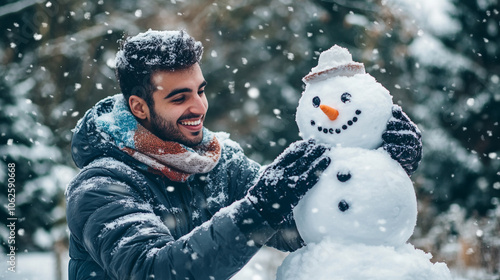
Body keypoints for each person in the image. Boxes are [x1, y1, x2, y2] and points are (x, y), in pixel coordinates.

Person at [66, 29, 422, 280]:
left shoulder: (219, 163)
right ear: (139, 107)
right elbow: (155, 271)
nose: (198, 107)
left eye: (200, 91)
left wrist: (375, 161)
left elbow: (306, 228)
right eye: (179, 97)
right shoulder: (102, 186)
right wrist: (256, 211)